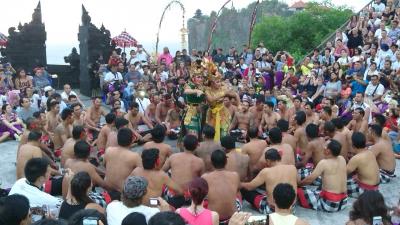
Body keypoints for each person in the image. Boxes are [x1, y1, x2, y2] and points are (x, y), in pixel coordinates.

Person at [241, 148, 297, 215]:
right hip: (291, 208)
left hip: (272, 210)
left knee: (246, 191)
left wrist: (239, 183)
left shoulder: (266, 172)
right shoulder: (292, 168)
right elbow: (298, 182)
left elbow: (250, 187)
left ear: (268, 161)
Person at [298, 139, 348, 212]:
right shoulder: (342, 159)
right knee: (317, 189)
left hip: (330, 204)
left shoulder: (324, 163)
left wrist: (298, 184)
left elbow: (309, 180)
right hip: (343, 202)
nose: (323, 147)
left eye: (325, 146)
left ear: (328, 151)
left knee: (299, 191)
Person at [162, 135, 205, 208]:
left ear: (183, 145)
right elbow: (203, 180)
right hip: (190, 197)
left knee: (169, 173)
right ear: (197, 146)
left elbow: (161, 171)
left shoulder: (173, 157)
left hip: (173, 196)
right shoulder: (200, 161)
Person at [202, 150, 241, 224]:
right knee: (238, 194)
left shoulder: (205, 177)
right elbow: (237, 191)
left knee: (204, 200)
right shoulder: (235, 175)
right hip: (232, 218)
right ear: (226, 162)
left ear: (211, 163)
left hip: (214, 219)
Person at [104, 128, 142, 192]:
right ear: (132, 140)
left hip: (107, 186)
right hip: (122, 190)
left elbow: (105, 165)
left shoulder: (108, 150)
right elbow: (143, 173)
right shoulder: (135, 156)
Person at [347, 132, 380, 198]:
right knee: (355, 176)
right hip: (376, 189)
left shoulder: (356, 158)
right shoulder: (370, 152)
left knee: (339, 185)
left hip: (366, 191)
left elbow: (343, 173)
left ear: (353, 145)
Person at [183, 61, 206, 136]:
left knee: (201, 135)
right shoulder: (189, 84)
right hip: (191, 111)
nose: (201, 79)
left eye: (202, 77)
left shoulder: (203, 86)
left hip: (201, 111)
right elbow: (186, 91)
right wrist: (196, 91)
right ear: (193, 78)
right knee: (193, 135)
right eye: (198, 77)